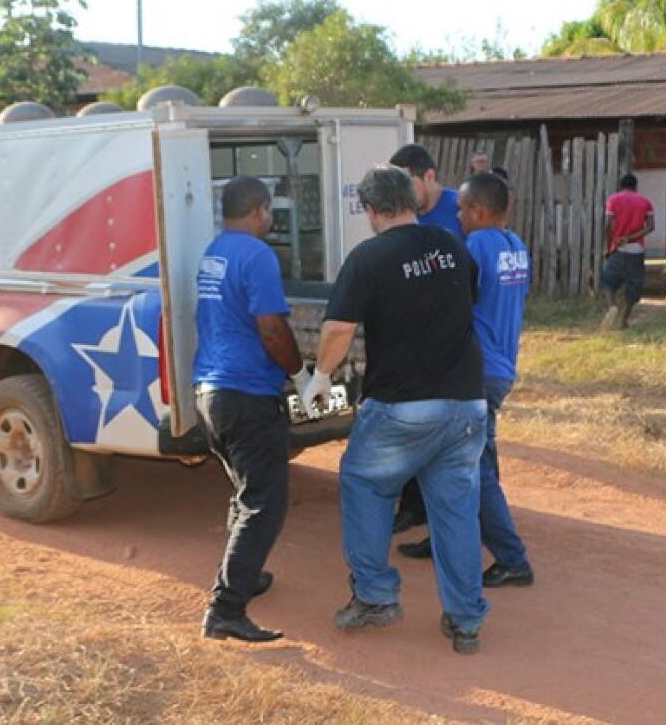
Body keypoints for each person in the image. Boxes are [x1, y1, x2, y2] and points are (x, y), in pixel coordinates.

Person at [311, 165, 489, 654]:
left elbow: (338, 331)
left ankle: (375, 597)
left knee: (364, 482)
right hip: (468, 405)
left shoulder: (368, 257)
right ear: (413, 200)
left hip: (403, 408)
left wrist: (320, 377)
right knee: (455, 511)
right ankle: (466, 620)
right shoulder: (452, 246)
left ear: (369, 210)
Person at [194, 176, 318, 643]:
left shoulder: (215, 252)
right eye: (270, 212)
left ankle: (245, 574)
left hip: (210, 392)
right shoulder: (257, 255)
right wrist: (301, 375)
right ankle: (226, 608)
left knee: (246, 492)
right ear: (261, 210)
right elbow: (271, 328)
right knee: (265, 502)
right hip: (246, 393)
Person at [398, 172, 534, 589]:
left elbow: (447, 303)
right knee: (444, 459)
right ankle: (445, 539)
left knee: (478, 468)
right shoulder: (515, 246)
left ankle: (513, 559)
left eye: (460, 209)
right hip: (498, 366)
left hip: (474, 373)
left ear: (477, 210)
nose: (456, 215)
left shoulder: (473, 246)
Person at [386, 143, 463, 534]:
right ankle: (414, 506)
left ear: (429, 176)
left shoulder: (461, 209)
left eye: (408, 183)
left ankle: (462, 523)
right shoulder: (405, 216)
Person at [599, 174, 655, 329]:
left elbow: (609, 225)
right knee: (633, 286)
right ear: (636, 187)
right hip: (636, 249)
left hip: (617, 248)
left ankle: (612, 306)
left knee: (608, 282)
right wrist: (630, 238)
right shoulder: (645, 202)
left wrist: (610, 244)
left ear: (621, 186)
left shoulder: (613, 200)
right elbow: (650, 227)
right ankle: (623, 320)